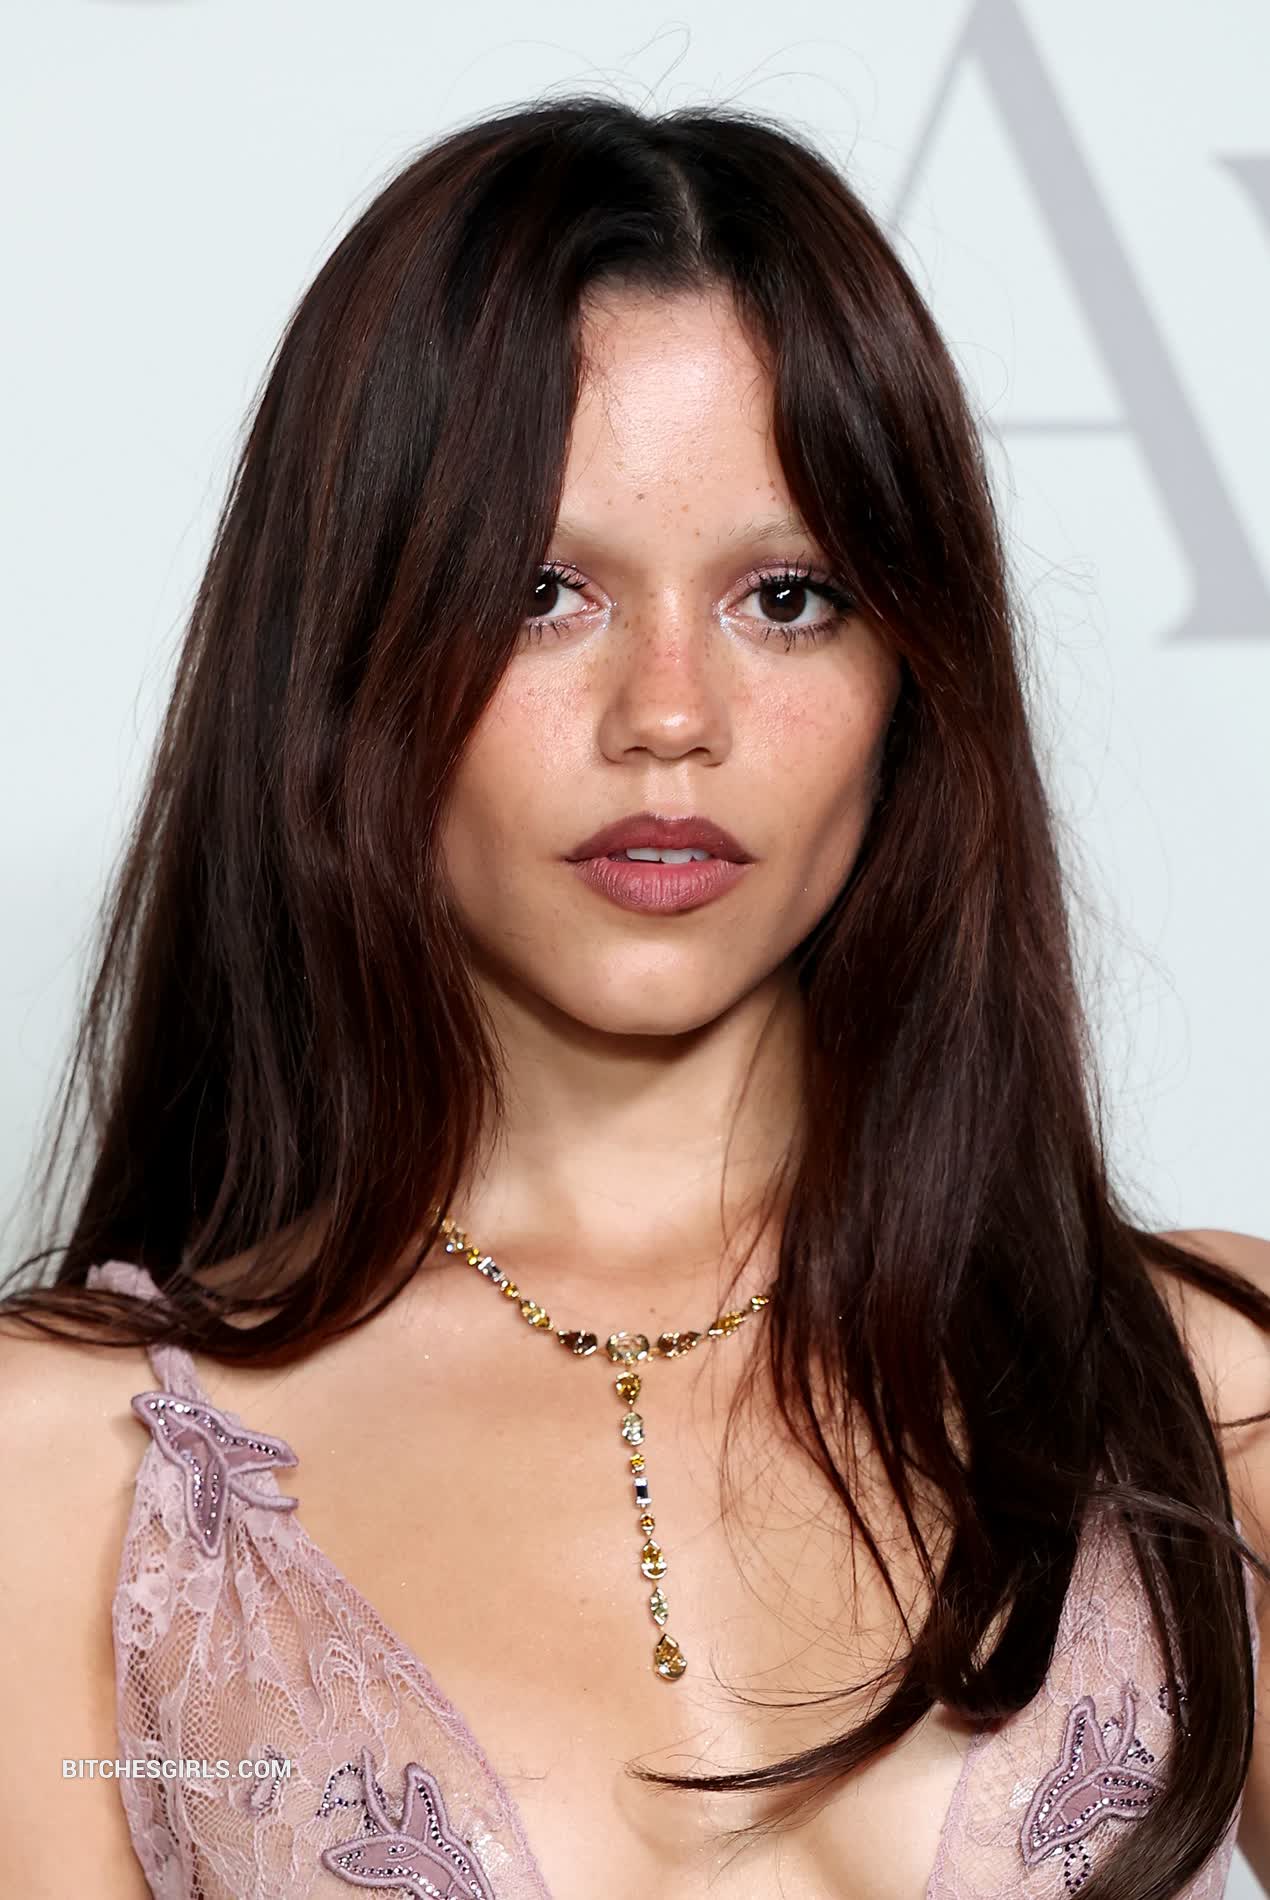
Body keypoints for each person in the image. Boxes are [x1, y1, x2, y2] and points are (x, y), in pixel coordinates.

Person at [0, 94, 1267, 1900]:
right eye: (542, 591)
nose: (669, 715)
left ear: (916, 675)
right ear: (344, 648)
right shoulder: (64, 1472)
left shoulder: (1209, 1392)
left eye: (787, 598)